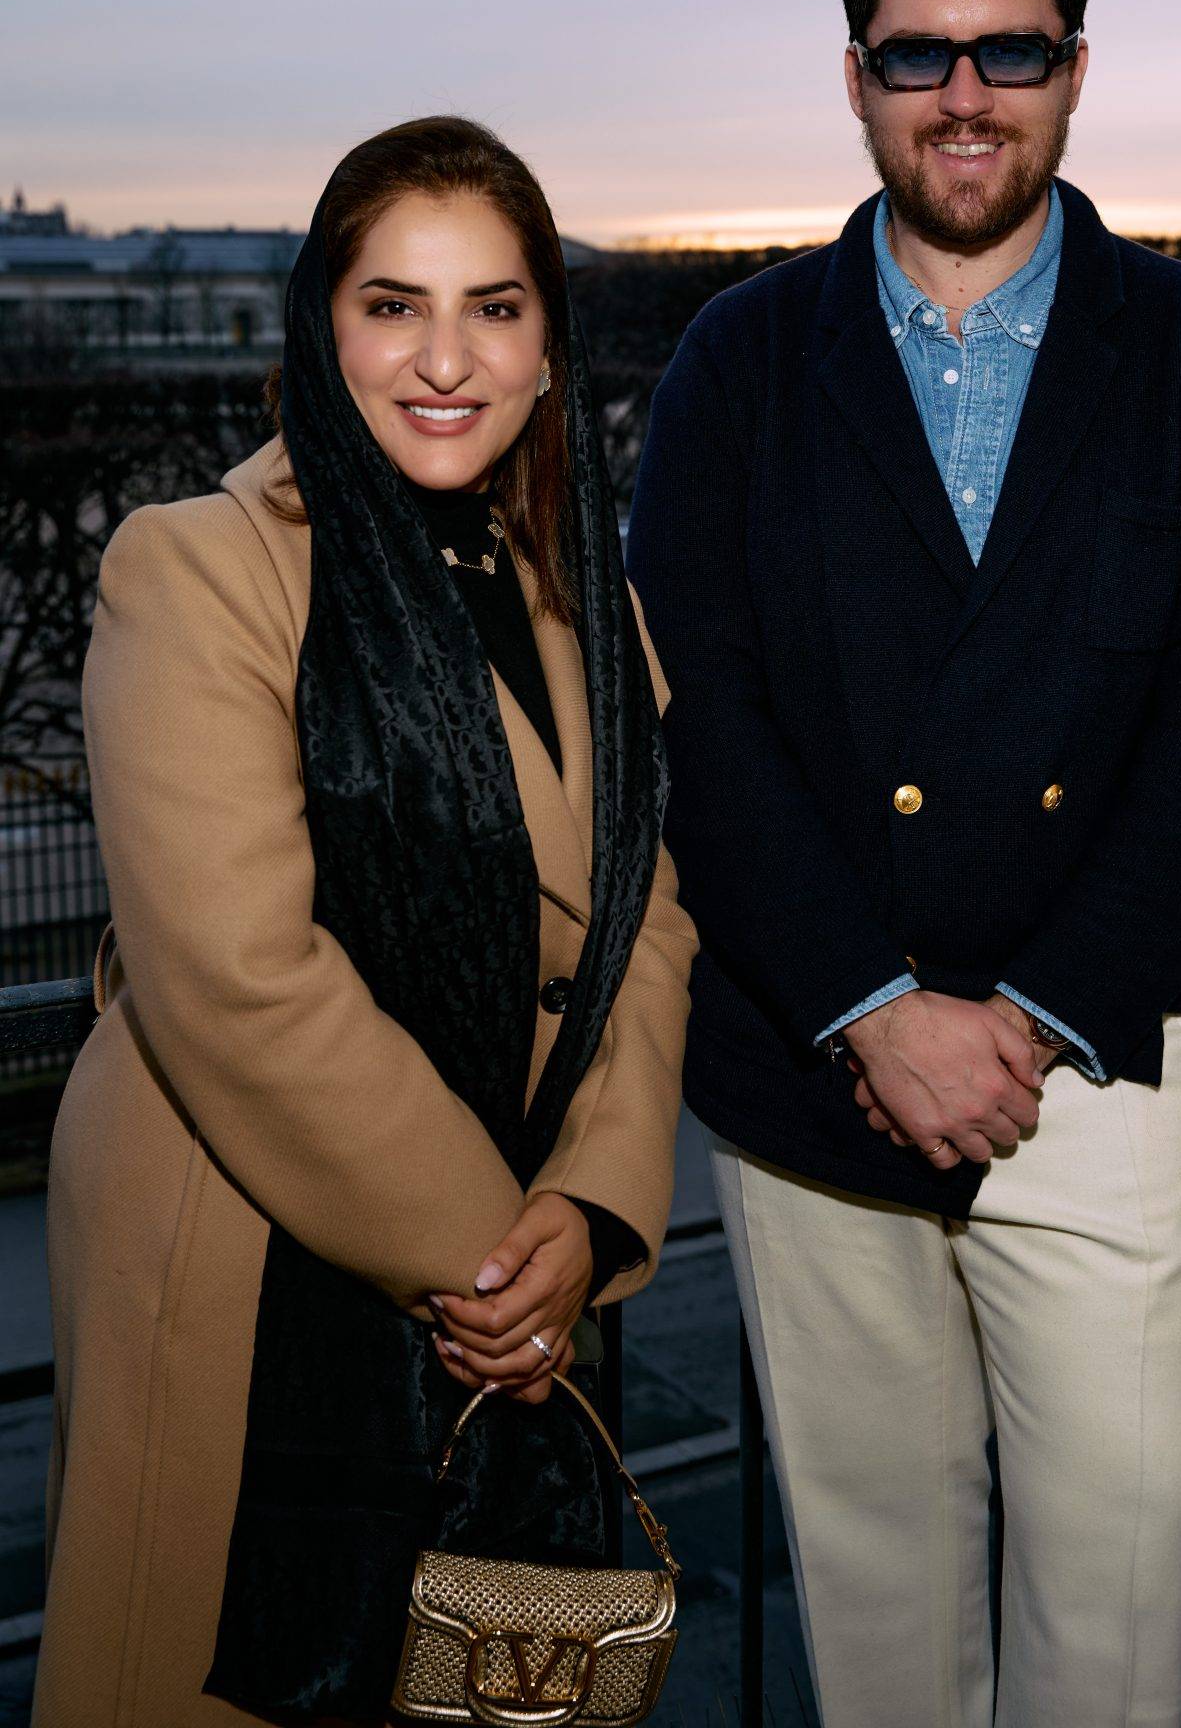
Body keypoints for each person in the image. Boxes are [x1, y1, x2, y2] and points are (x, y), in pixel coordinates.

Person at [627, 0, 1181, 1728]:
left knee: (1104, 1646)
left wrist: (1018, 1019)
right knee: (877, 1639)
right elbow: (704, 725)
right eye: (915, 51)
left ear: (1075, 66)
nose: (962, 92)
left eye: (1006, 47)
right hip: (813, 1076)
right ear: (851, 76)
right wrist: (871, 1007)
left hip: (1098, 1073)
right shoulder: (734, 364)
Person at [35, 115, 697, 1727]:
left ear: (550, 345)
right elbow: (236, 976)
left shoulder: (582, 600)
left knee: (476, 1690)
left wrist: (593, 1214)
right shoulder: (195, 568)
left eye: (494, 305)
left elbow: (645, 921)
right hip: (257, 1240)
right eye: (392, 303)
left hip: (518, 1251)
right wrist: (494, 1263)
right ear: (321, 331)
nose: (444, 356)